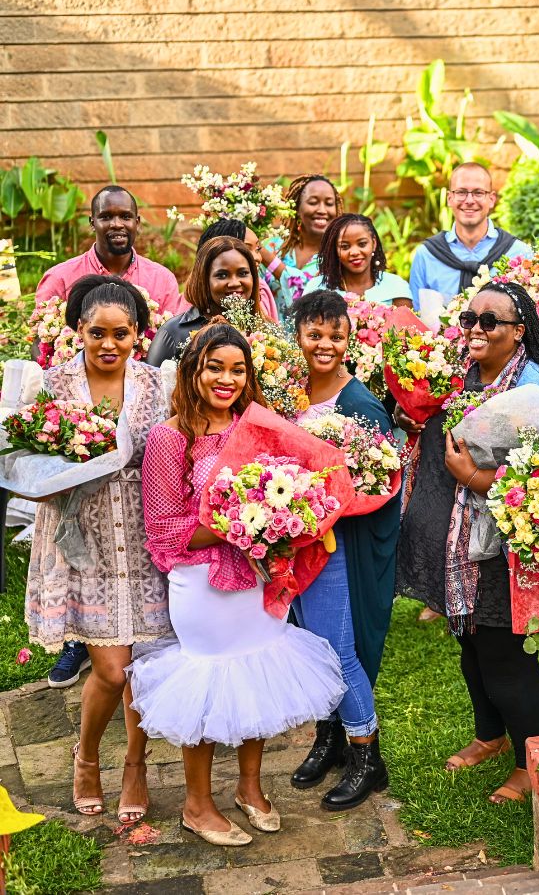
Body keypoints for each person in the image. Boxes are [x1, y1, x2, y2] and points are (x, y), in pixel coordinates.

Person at [130, 323, 345, 845]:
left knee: (257, 676)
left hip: (254, 578)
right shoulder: (170, 437)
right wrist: (238, 520)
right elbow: (162, 528)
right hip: (201, 584)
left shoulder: (257, 427)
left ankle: (250, 788)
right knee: (208, 684)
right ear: (193, 371)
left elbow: (289, 489)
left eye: (238, 369)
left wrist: (278, 516)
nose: (227, 379)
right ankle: (196, 804)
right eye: (215, 367)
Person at [394, 281, 539, 804]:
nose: (476, 329)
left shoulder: (538, 393)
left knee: (504, 653)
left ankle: (529, 760)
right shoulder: (452, 373)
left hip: (503, 545)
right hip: (454, 542)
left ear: (519, 331)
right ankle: (489, 736)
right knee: (469, 642)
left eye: (491, 321)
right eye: (469, 318)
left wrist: (474, 478)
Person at [24, 276, 170, 823]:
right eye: (97, 333)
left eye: (122, 334)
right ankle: (86, 757)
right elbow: (28, 458)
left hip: (140, 532)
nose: (109, 344)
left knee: (142, 667)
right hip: (81, 537)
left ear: (138, 333)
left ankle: (136, 764)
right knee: (110, 669)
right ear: (78, 331)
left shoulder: (156, 383)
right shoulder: (52, 385)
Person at [289, 290, 402, 810]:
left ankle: (366, 755)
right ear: (299, 337)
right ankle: (328, 738)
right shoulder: (287, 397)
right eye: (315, 334)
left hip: (339, 546)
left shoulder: (358, 405)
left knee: (337, 650)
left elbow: (381, 482)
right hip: (296, 544)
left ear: (349, 338)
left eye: (335, 335)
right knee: (309, 646)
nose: (325, 344)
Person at [36, 186, 184, 318]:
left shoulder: (162, 280)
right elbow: (39, 341)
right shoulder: (60, 278)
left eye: (125, 217)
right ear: (93, 223)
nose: (117, 224)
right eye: (106, 217)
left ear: (137, 223)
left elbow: (174, 339)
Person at [407, 163, 532, 309]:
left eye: (478, 192)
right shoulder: (426, 255)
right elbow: (416, 320)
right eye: (461, 192)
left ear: (491, 199)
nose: (470, 200)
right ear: (450, 198)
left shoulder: (519, 253)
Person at [146, 237, 265, 367]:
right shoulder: (173, 333)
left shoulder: (264, 330)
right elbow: (150, 385)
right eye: (222, 275)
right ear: (203, 280)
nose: (235, 283)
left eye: (243, 273)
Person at [261, 175, 343, 316]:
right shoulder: (272, 247)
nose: (322, 210)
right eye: (313, 202)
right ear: (297, 208)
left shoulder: (339, 257)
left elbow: (311, 297)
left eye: (329, 203)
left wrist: (270, 261)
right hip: (264, 336)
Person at [303, 213, 412, 307]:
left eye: (362, 244)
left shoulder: (396, 286)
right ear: (335, 249)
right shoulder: (316, 288)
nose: (354, 252)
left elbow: (409, 330)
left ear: (374, 243)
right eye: (345, 246)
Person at [196, 219, 279, 322]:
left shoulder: (262, 291)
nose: (257, 257)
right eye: (247, 249)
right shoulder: (189, 322)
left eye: (257, 249)